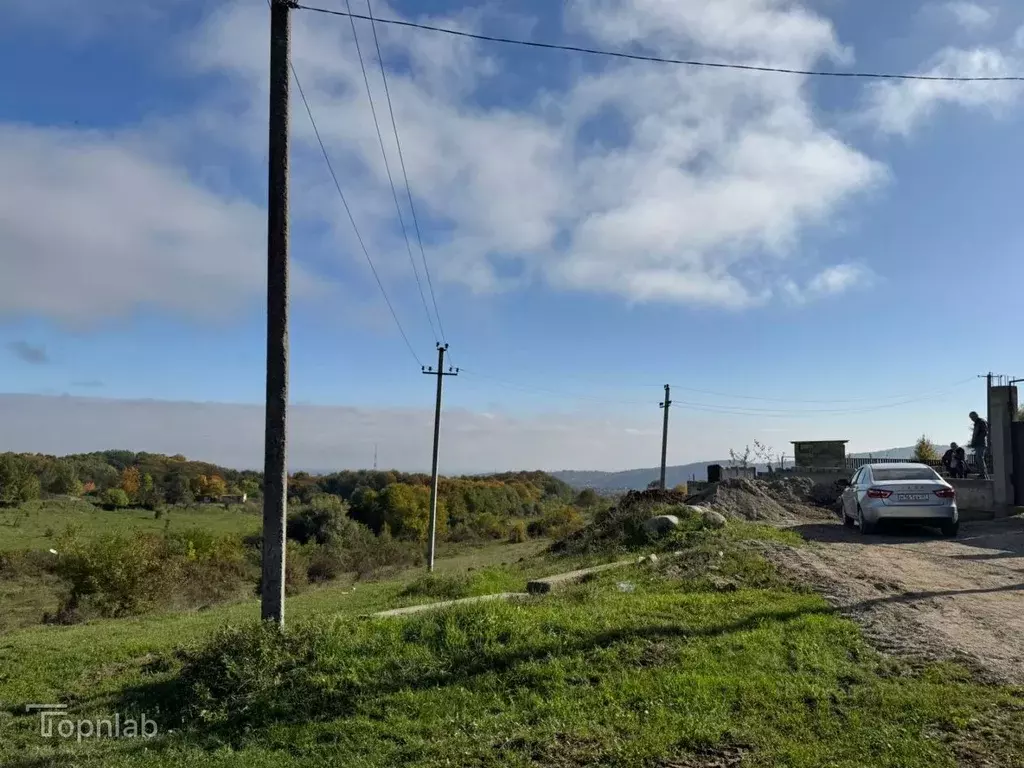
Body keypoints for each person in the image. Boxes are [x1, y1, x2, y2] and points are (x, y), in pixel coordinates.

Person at [969, 411, 989, 479]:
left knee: (979, 458)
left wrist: (976, 440)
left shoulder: (981, 422)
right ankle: (983, 474)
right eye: (971, 417)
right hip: (978, 443)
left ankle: (983, 475)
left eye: (972, 417)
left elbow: (985, 432)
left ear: (976, 415)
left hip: (981, 443)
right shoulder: (977, 423)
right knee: (979, 459)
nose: (972, 419)